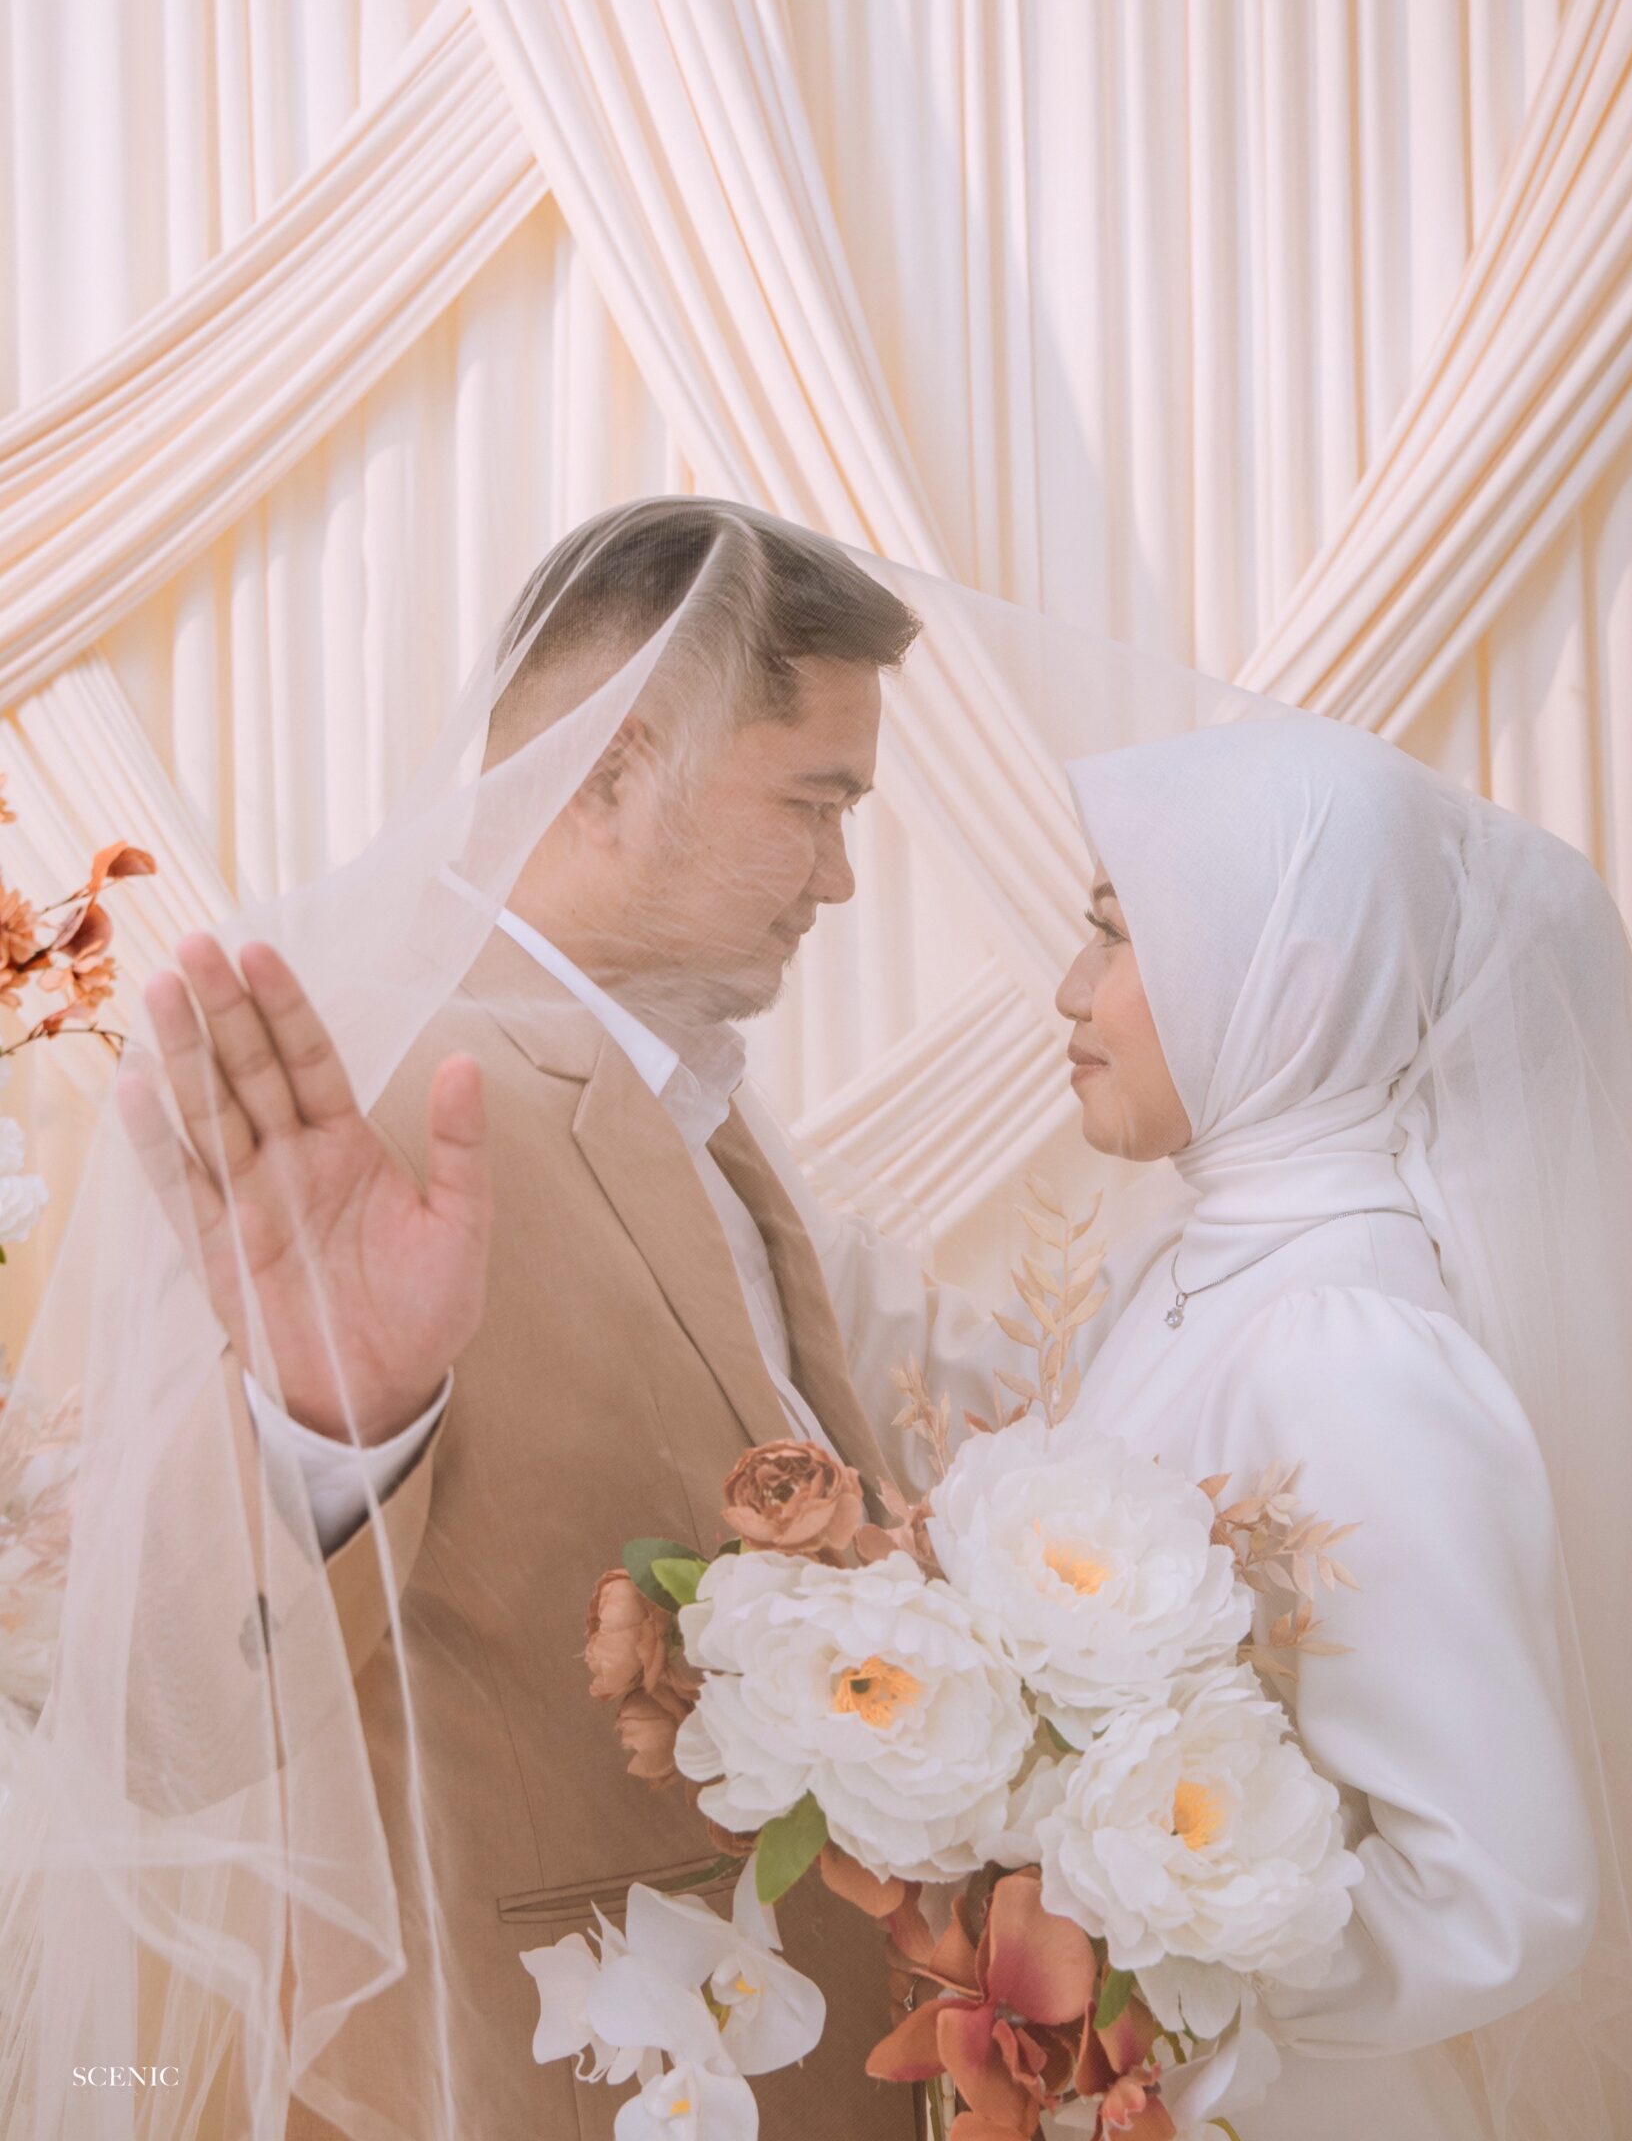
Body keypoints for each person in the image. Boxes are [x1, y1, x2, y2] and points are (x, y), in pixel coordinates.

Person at [117, 503, 990, 2140]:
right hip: (516, 2075)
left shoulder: (685, 1086)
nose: (840, 878)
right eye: (814, 806)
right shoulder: (372, 1094)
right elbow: (165, 1720)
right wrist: (331, 1425)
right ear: (611, 772)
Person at [1054, 711, 1632, 2140]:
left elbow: (1495, 1894)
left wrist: (1139, 1986)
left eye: (1113, 933)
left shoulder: (1345, 1342)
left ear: (1284, 976)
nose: (1068, 990)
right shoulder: (1191, 1261)